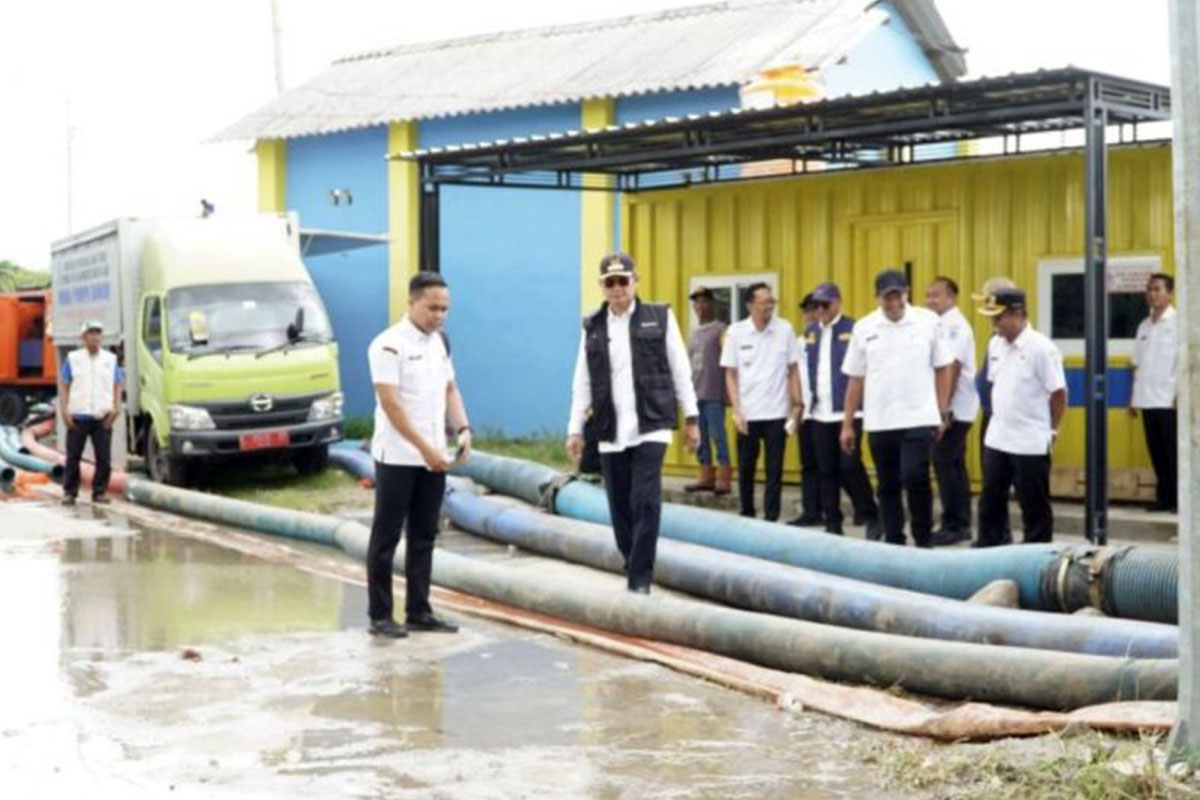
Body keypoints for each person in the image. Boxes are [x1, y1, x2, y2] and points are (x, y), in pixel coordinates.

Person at [566, 252, 700, 594]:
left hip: (651, 425)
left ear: (635, 282)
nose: (617, 288)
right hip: (610, 429)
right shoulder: (592, 326)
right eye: (610, 282)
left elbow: (681, 370)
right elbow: (582, 381)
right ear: (602, 287)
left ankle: (640, 579)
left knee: (645, 500)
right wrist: (575, 429)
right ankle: (632, 559)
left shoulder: (660, 317)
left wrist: (692, 418)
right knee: (620, 506)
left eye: (623, 281)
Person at [365, 271, 472, 638]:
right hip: (398, 456)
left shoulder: (439, 342)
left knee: (425, 534)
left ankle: (419, 610)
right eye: (432, 308)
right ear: (411, 302)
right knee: (387, 536)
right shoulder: (387, 345)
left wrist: (464, 428)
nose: (439, 315)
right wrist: (426, 450)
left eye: (444, 309)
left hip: (434, 456)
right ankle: (380, 615)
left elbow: (450, 388)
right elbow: (391, 405)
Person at [841, 269, 953, 547]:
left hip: (919, 416)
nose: (893, 303)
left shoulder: (928, 322)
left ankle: (923, 537)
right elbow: (855, 378)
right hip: (880, 419)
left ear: (906, 293)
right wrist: (847, 424)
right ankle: (894, 539)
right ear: (877, 298)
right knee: (887, 483)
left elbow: (943, 368)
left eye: (898, 296)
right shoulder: (864, 327)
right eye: (887, 298)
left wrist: (942, 412)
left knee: (915, 477)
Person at [975, 287, 1067, 546]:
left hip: (1029, 440)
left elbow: (1058, 394)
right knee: (990, 501)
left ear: (1017, 314)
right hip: (998, 437)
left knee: (1034, 505)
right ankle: (990, 550)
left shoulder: (1041, 348)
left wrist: (1052, 430)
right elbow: (994, 383)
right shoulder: (996, 344)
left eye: (999, 318)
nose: (994, 324)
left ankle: (1037, 557)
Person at [803, 283, 881, 538]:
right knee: (826, 470)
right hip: (821, 411)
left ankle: (871, 514)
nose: (820, 310)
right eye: (816, 305)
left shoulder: (853, 328)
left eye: (825, 305)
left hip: (848, 411)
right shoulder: (811, 332)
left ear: (837, 302)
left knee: (849, 466)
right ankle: (833, 523)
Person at [721, 282, 804, 521]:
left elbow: (793, 369)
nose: (769, 306)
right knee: (746, 468)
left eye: (771, 301)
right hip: (747, 413)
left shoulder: (784, 329)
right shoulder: (736, 332)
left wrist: (797, 405)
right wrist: (737, 411)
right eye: (764, 302)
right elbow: (730, 374)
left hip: (777, 412)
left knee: (774, 470)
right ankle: (747, 513)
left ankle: (771, 517)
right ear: (750, 305)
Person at [925, 277, 980, 546]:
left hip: (955, 408)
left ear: (952, 297)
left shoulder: (955, 326)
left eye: (936, 295)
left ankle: (953, 523)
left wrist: (943, 410)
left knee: (944, 462)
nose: (930, 300)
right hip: (949, 406)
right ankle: (961, 522)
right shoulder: (938, 324)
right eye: (928, 295)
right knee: (954, 464)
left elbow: (952, 368)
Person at [59, 320, 123, 506]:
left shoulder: (110, 360)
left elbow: (117, 384)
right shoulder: (73, 359)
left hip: (102, 417)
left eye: (97, 333)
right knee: (73, 457)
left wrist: (116, 408)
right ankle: (70, 492)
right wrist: (64, 410)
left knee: (104, 458)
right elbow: (65, 384)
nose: (94, 337)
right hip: (78, 417)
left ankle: (99, 492)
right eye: (90, 333)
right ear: (84, 337)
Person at [1129, 273, 1178, 513]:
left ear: (1170, 294)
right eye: (1149, 289)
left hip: (1169, 400)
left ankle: (1181, 500)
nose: (1152, 294)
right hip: (1147, 399)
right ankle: (1164, 498)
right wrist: (1132, 398)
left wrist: (1180, 395)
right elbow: (1136, 365)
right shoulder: (1144, 326)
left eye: (1158, 289)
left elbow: (1186, 363)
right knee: (1156, 452)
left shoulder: (1178, 324)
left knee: (1174, 453)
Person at [683, 286, 731, 495]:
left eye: (704, 301)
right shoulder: (693, 333)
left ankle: (724, 475)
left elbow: (729, 362)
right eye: (697, 302)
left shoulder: (721, 330)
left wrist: (728, 391)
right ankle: (706, 475)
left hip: (713, 392)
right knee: (700, 436)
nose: (700, 306)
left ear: (712, 304)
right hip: (695, 394)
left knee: (717, 434)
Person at [787, 293, 824, 527]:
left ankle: (862, 509)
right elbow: (794, 376)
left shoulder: (833, 338)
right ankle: (812, 511)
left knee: (833, 465)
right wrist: (796, 406)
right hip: (806, 410)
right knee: (809, 464)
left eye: (815, 309)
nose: (811, 315)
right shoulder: (799, 343)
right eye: (807, 310)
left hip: (828, 413)